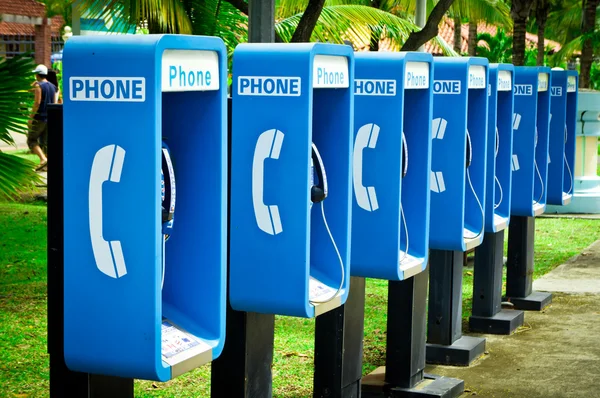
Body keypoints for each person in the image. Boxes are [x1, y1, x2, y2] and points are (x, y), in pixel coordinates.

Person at [28, 64, 57, 171]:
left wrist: (31, 118)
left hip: (39, 117)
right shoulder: (53, 86)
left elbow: (37, 102)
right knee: (45, 142)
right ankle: (47, 166)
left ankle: (43, 159)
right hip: (50, 117)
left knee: (31, 140)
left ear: (37, 74)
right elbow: (54, 102)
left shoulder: (38, 86)